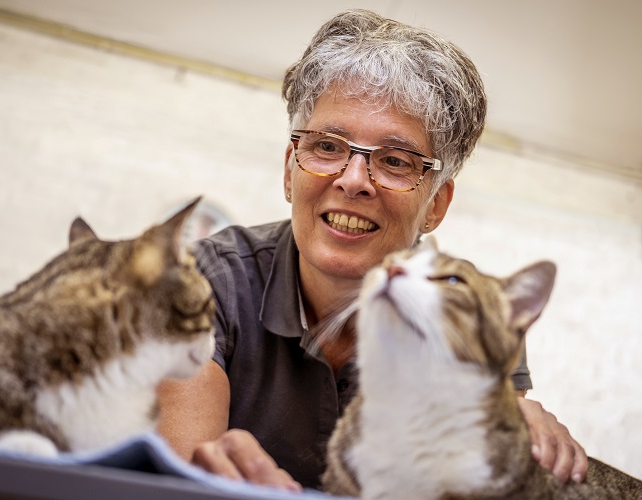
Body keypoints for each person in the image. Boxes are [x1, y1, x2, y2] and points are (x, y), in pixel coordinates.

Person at [156, 9, 587, 492]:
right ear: (288, 171)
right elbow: (183, 487)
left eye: (396, 160)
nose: (354, 180)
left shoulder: (471, 310)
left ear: (435, 205)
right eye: (326, 146)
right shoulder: (202, 281)